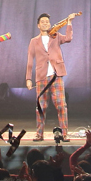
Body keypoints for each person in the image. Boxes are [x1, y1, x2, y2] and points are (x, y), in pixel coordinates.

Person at [26, 11, 80, 142]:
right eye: (42, 22)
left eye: (47, 21)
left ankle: (64, 133)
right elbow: (29, 60)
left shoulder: (56, 36)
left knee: (61, 105)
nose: (45, 23)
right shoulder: (34, 41)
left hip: (56, 75)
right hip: (41, 77)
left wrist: (69, 22)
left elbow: (68, 38)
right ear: (38, 25)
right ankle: (39, 134)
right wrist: (28, 78)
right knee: (41, 107)